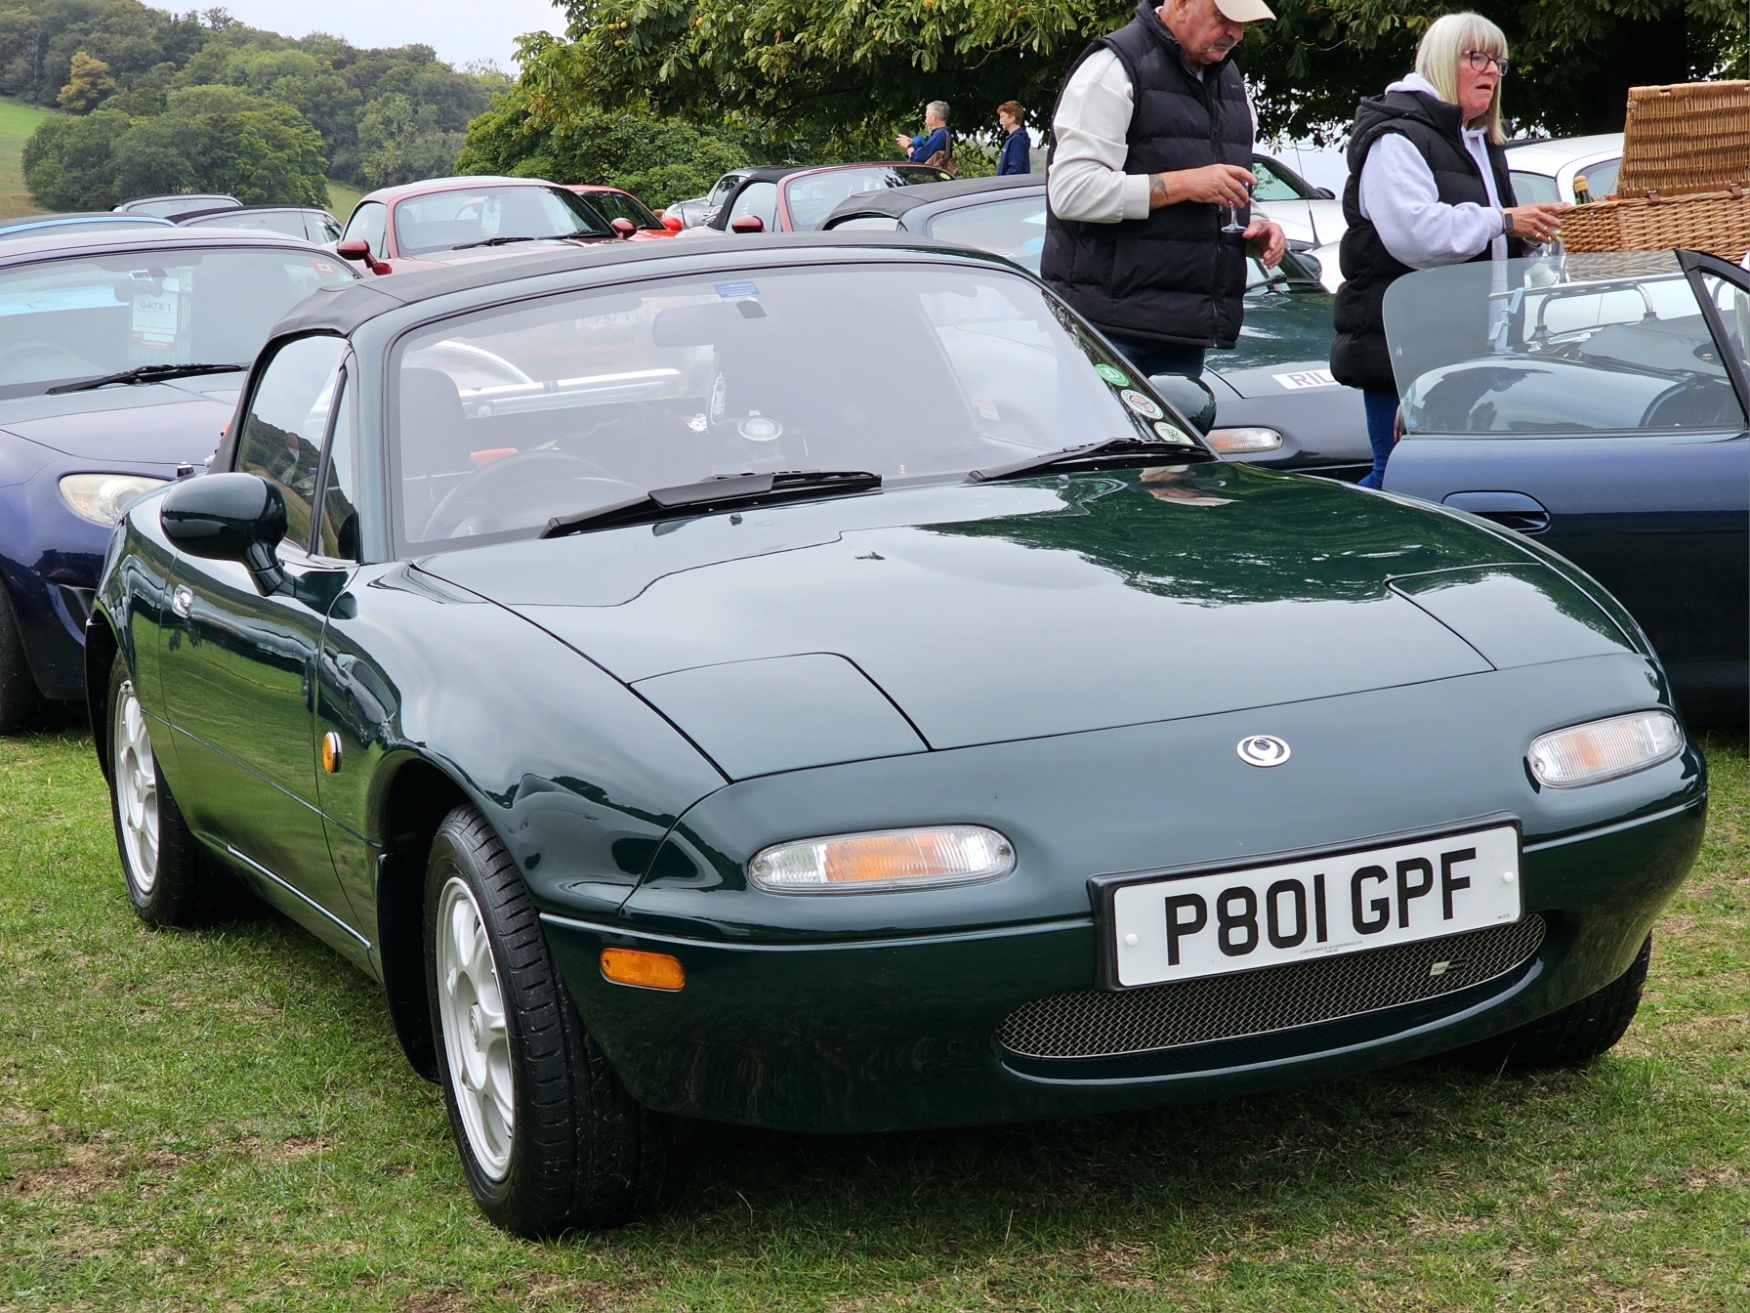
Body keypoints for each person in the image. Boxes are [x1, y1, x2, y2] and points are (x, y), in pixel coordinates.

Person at [1329, 12, 1567, 487]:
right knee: (1398, 481)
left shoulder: (1479, 141)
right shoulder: (1396, 136)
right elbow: (1413, 235)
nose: (1491, 71)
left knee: (1453, 483)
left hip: (1471, 350)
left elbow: (1495, 246)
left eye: (1498, 61)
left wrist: (1540, 234)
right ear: (1440, 61)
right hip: (1403, 350)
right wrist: (1502, 220)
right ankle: (1336, 557)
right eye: (1475, 57)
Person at [1041, 0, 1286, 382]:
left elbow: (1220, 183)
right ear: (1181, 4)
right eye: (1224, 18)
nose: (1236, 35)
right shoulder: (1113, 67)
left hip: (1183, 329)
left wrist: (1257, 225)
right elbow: (1071, 191)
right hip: (1106, 329)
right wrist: (1185, 184)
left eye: (1243, 25)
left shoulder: (1229, 80)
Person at [997, 102, 1031, 175]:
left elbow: (1015, 169)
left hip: (1009, 185)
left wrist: (1002, 183)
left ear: (1012, 118)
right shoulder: (1013, 138)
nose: (1000, 120)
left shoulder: (1017, 139)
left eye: (1002, 117)